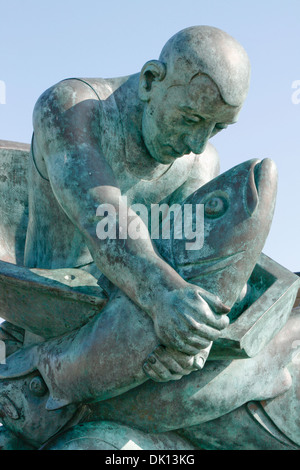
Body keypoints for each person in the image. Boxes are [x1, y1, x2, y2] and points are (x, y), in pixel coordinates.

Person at [25, 25, 249, 375]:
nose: (198, 142)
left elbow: (190, 263)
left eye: (217, 128)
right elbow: (103, 219)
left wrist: (195, 340)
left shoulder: (200, 162)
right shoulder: (71, 108)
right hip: (58, 326)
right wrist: (164, 297)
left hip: (144, 324)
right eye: (191, 118)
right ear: (150, 81)